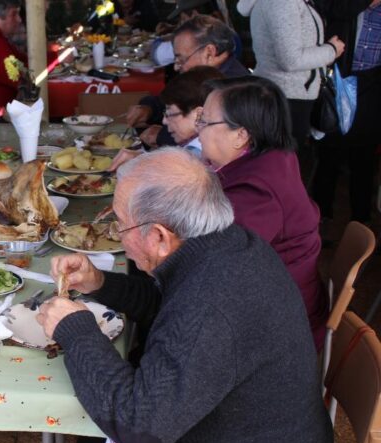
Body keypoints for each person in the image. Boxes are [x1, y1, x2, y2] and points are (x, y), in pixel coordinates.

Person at [37, 147, 333, 443]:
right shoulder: (227, 244)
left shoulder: (212, 302)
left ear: (160, 237)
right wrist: (100, 283)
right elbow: (169, 307)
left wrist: (75, 330)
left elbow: (140, 428)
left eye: (120, 225)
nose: (117, 235)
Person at [198, 75, 328, 350]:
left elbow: (218, 267)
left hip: (279, 334)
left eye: (205, 121)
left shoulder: (257, 193)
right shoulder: (273, 155)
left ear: (241, 135)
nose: (198, 129)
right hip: (281, 301)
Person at [123, 14, 248, 149]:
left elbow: (219, 140)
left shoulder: (234, 88)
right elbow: (178, 101)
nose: (176, 67)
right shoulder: (203, 77)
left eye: (181, 59)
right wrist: (150, 108)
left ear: (209, 52)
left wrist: (162, 137)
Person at [237, 0, 345, 151]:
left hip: (285, 94)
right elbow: (290, 60)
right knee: (284, 159)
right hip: (286, 97)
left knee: (283, 157)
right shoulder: (284, 2)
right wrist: (331, 50)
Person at [312, 0, 381, 224]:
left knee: (364, 158)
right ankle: (320, 216)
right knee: (329, 154)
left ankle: (361, 219)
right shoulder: (348, 4)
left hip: (371, 86)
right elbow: (330, 9)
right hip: (338, 82)